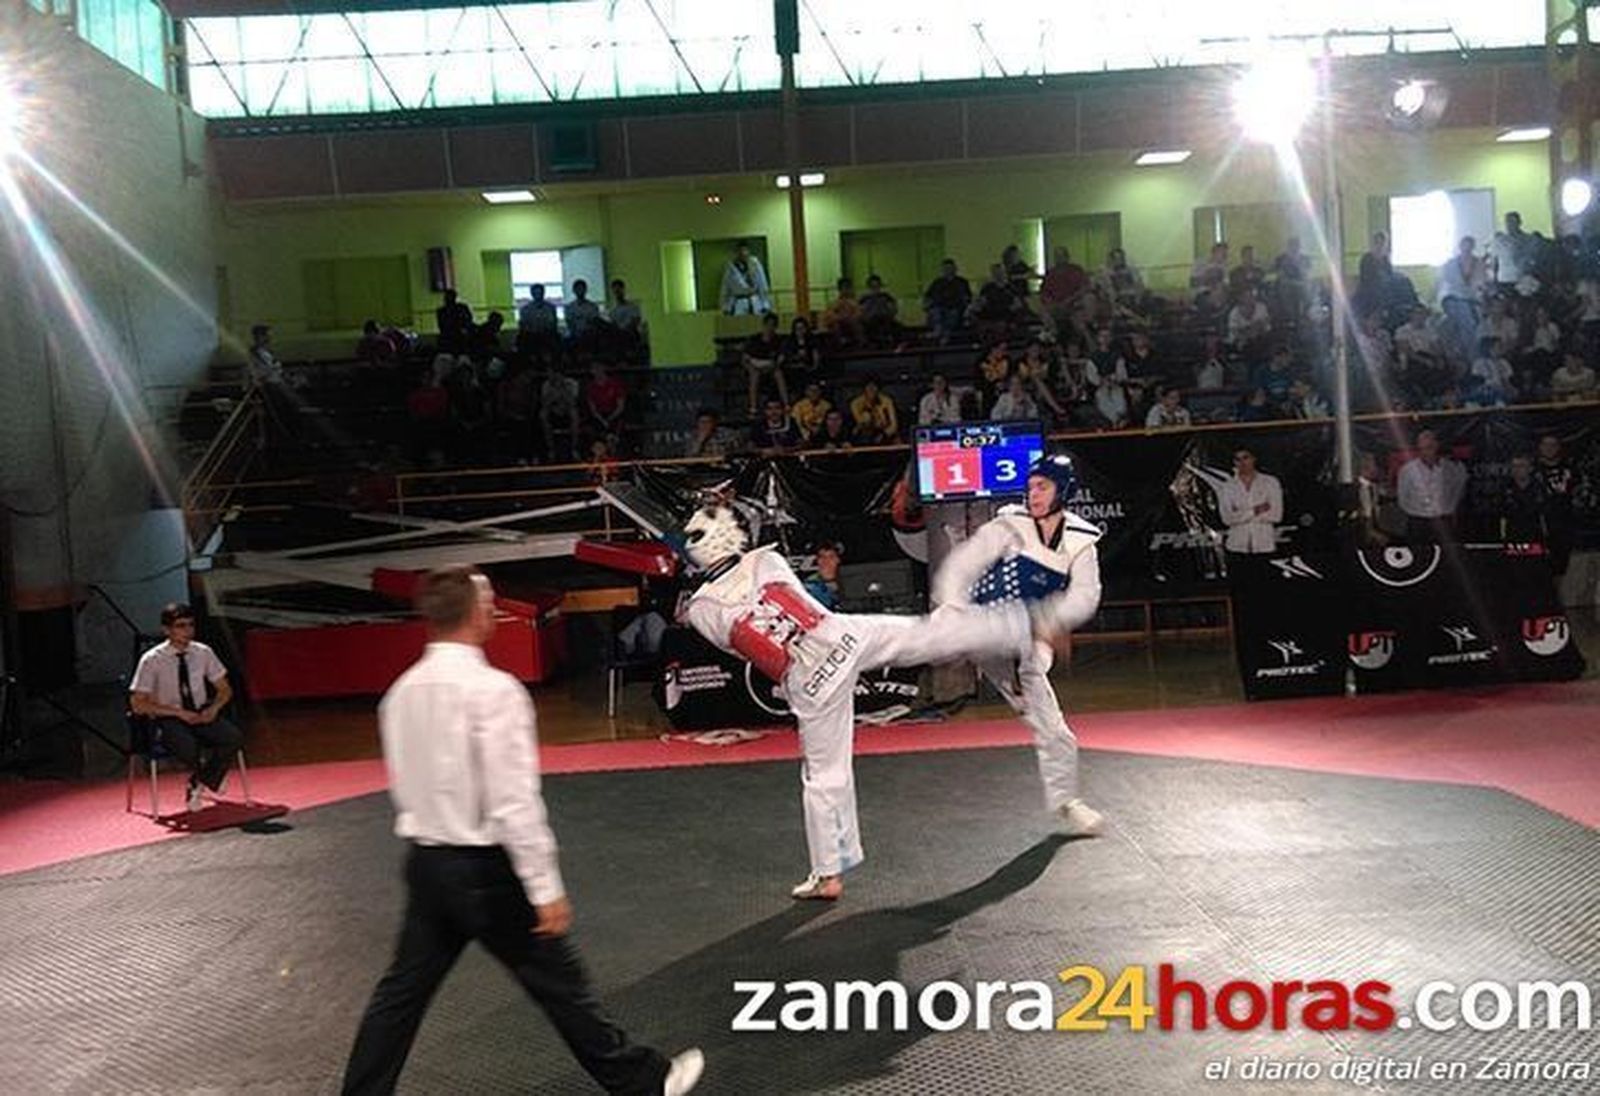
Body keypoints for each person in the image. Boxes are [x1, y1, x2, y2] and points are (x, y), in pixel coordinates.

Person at [342, 567, 703, 1096]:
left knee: (399, 996)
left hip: (427, 864)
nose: (494, 609)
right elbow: (513, 800)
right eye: (488, 602)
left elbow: (408, 783)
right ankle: (646, 1083)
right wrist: (545, 887)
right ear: (471, 612)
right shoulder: (493, 690)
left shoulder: (401, 693)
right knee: (559, 986)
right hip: (484, 869)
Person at [676, 499, 1079, 900]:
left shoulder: (702, 610)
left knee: (824, 775)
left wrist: (707, 603)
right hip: (843, 638)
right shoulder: (766, 562)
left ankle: (828, 874)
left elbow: (738, 646)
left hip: (809, 680)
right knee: (929, 634)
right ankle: (1022, 624)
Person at [932, 455, 1106, 837]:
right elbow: (963, 564)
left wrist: (1049, 623)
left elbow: (1084, 598)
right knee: (904, 644)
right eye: (1030, 487)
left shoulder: (1081, 542)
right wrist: (952, 606)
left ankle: (1067, 801)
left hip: (1021, 642)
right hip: (972, 622)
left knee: (1054, 730)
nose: (1034, 495)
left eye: (1043, 487)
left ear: (1064, 490)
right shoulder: (1010, 523)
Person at [129, 603, 244, 814]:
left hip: (200, 712)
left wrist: (214, 708)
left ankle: (201, 780)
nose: (187, 631)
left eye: (190, 625)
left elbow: (224, 689)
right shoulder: (152, 660)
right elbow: (138, 703)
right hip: (170, 716)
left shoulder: (203, 652)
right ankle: (210, 777)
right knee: (187, 746)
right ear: (167, 630)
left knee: (232, 737)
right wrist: (178, 713)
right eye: (181, 626)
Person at [1396, 428, 1467, 543]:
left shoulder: (1451, 468)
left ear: (1436, 446)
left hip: (1444, 521)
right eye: (1421, 449)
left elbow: (1459, 490)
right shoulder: (1408, 470)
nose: (1425, 452)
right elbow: (1403, 498)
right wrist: (1418, 512)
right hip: (1418, 522)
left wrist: (1449, 508)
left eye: (1429, 448)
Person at [1218, 448, 1282, 558]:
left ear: (1253, 459)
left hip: (1264, 547)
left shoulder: (1271, 482)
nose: (1242, 463)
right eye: (1238, 459)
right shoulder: (1227, 487)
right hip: (1236, 547)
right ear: (1234, 462)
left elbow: (1276, 515)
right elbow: (1227, 519)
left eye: (1245, 457)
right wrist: (1255, 510)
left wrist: (1240, 514)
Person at [741, 312, 788, 414]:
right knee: (754, 375)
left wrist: (773, 366)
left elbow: (781, 358)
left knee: (779, 374)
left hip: (771, 367)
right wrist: (750, 367)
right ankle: (753, 407)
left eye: (773, 325)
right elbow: (745, 358)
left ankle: (786, 404)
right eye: (768, 325)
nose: (770, 328)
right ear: (764, 325)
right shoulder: (754, 340)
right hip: (754, 368)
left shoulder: (778, 341)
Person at [922, 258, 972, 343]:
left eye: (950, 268)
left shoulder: (962, 282)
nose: (948, 270)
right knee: (936, 312)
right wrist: (927, 304)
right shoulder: (937, 282)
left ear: (955, 269)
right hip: (939, 307)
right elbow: (928, 296)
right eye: (946, 269)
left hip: (956, 308)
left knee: (952, 314)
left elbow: (967, 297)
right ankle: (939, 331)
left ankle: (944, 334)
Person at [719, 240, 771, 315]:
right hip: (738, 302)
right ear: (736, 253)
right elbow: (725, 287)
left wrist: (765, 304)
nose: (743, 253)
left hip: (755, 301)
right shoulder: (731, 267)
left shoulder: (755, 264)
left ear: (748, 251)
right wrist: (725, 307)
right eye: (740, 251)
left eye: (745, 250)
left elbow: (762, 284)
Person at [435, 289, 474, 354]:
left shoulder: (442, 311)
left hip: (453, 337)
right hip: (454, 337)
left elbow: (441, 326)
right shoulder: (461, 308)